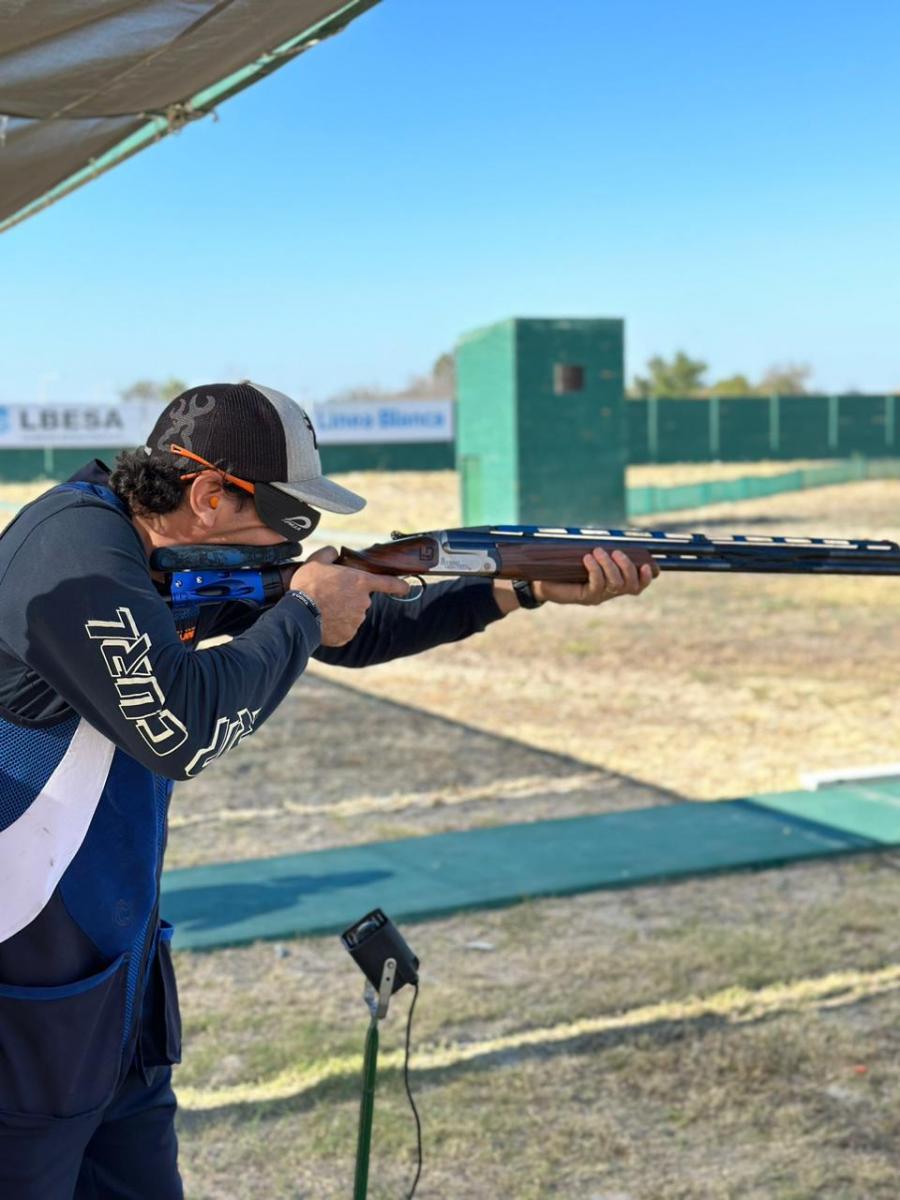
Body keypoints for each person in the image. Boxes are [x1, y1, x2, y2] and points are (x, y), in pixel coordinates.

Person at [0, 380, 658, 1198]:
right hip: (25, 1004)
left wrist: (515, 588)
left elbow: (357, 627)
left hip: (113, 997)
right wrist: (306, 609)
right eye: (294, 520)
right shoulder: (74, 555)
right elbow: (183, 727)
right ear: (208, 495)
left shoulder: (170, 553)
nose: (298, 545)